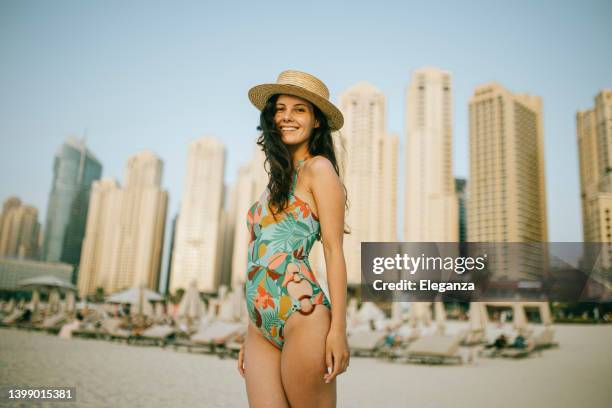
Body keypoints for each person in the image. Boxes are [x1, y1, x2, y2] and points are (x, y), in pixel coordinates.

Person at [237, 70, 350, 407]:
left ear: (316, 121)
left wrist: (338, 330)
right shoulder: (273, 184)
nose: (286, 116)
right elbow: (257, 260)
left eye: (299, 109)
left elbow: (333, 250)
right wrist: (249, 327)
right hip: (259, 327)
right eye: (280, 108)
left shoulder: (320, 170)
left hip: (303, 315)